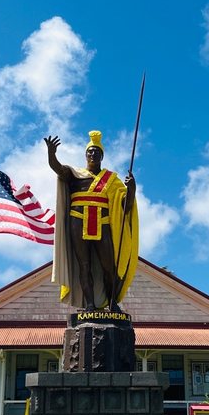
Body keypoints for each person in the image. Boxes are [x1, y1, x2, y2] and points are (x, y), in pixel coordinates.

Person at [45, 130, 138, 310]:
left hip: (102, 225)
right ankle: (89, 304)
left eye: (96, 152)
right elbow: (58, 168)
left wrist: (131, 189)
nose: (93, 154)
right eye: (90, 151)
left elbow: (125, 208)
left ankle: (112, 304)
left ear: (102, 156)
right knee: (84, 266)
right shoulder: (75, 174)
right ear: (85, 155)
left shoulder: (111, 180)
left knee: (109, 267)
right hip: (77, 223)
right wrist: (51, 154)